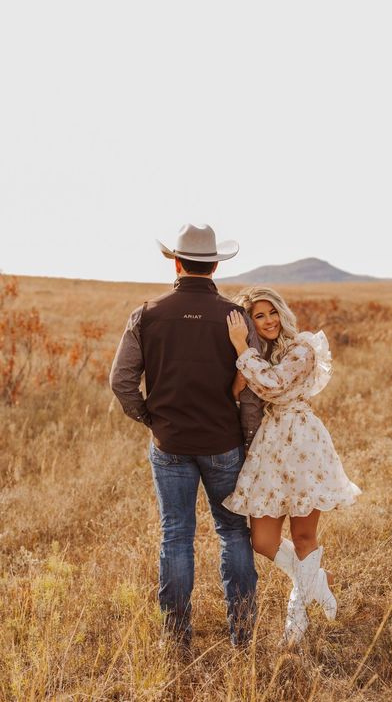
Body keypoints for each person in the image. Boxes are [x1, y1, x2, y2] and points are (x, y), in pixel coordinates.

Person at [109, 224, 263, 654]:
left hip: (169, 444)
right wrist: (248, 442)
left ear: (176, 262)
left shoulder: (146, 313)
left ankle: (175, 640)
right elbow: (250, 387)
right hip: (224, 443)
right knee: (233, 532)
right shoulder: (236, 316)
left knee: (175, 535)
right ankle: (243, 637)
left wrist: (152, 419)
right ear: (214, 264)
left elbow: (121, 382)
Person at [222, 286, 361, 645]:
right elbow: (238, 391)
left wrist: (241, 349)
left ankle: (295, 623)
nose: (268, 321)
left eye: (272, 313)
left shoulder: (302, 348)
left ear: (282, 313)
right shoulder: (260, 353)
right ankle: (314, 579)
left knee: (303, 537)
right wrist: (244, 363)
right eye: (259, 316)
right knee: (263, 540)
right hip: (270, 447)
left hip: (303, 444)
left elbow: (273, 383)